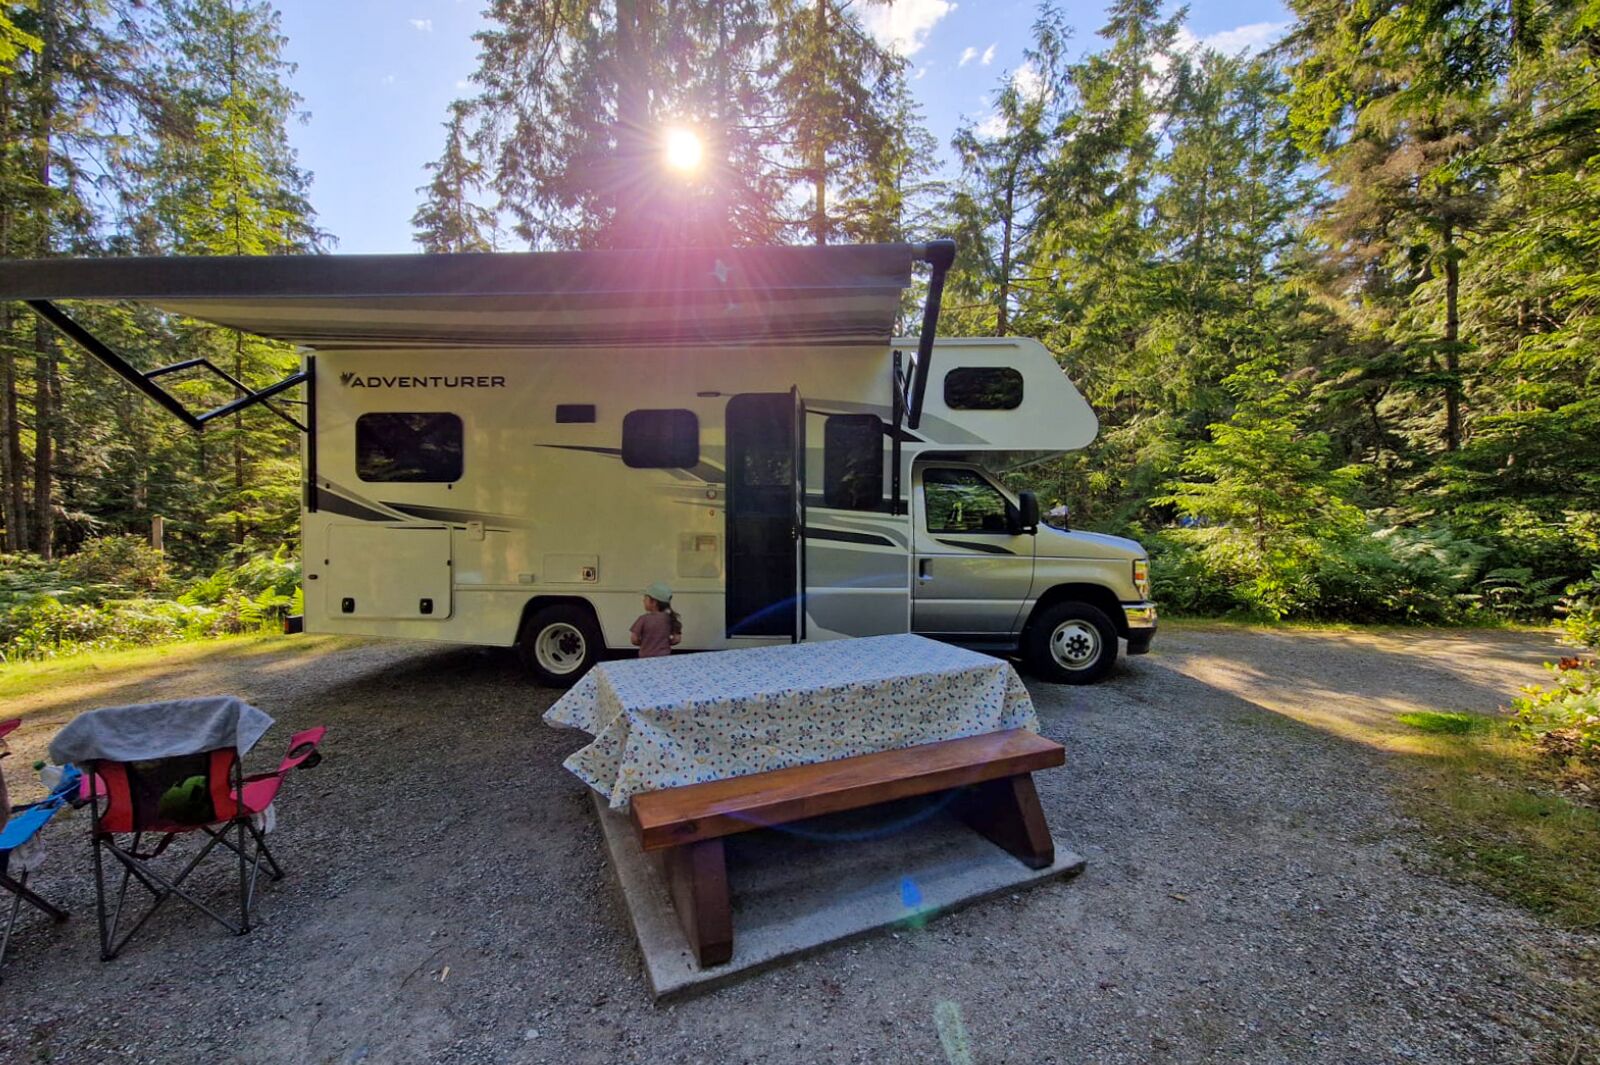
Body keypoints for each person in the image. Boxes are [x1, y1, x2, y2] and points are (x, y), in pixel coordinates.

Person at [630, 581, 682, 658]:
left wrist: (645, 643)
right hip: (664, 656)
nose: (643, 600)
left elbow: (634, 639)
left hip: (645, 657)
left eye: (645, 598)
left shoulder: (643, 619)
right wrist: (665, 643)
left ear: (654, 602)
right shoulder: (670, 618)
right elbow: (677, 639)